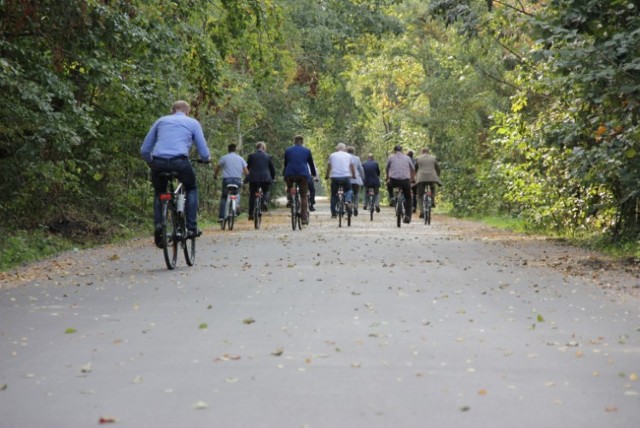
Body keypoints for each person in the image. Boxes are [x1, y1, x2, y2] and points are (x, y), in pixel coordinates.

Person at [141, 100, 211, 248]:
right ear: (188, 111)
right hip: (180, 162)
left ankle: (159, 225)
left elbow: (145, 149)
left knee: (160, 192)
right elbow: (204, 152)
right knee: (191, 188)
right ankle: (191, 227)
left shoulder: (161, 121)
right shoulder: (192, 123)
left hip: (159, 162)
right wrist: (206, 159)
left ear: (172, 110)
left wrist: (150, 161)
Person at [283, 135, 317, 225]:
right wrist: (313, 174)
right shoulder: (307, 151)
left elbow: (286, 163)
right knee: (303, 196)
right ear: (302, 141)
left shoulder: (288, 150)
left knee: (290, 187)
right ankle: (304, 218)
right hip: (303, 174)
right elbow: (311, 164)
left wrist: (284, 174)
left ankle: (290, 199)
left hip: (289, 173)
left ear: (294, 141)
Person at [214, 143, 249, 222]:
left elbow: (217, 168)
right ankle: (236, 205)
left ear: (228, 149)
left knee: (224, 196)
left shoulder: (224, 158)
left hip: (227, 180)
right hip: (237, 180)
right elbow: (247, 172)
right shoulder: (240, 158)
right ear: (235, 150)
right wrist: (245, 179)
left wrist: (215, 175)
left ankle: (221, 217)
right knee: (237, 193)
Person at [246, 142, 276, 221]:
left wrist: (247, 177)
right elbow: (272, 169)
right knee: (266, 191)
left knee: (252, 195)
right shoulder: (268, 156)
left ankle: (250, 213)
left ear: (257, 148)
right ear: (264, 148)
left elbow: (247, 168)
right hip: (265, 178)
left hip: (253, 178)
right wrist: (273, 178)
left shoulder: (251, 156)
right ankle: (264, 202)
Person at [385, 145, 415, 224]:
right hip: (405, 181)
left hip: (394, 181)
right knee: (408, 197)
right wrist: (412, 179)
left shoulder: (391, 157)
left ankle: (391, 198)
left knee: (388, 184)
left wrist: (387, 177)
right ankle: (408, 216)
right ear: (402, 151)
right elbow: (413, 169)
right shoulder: (407, 158)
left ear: (394, 151)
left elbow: (387, 168)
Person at [325, 143, 356, 219]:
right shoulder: (348, 156)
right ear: (345, 149)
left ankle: (334, 213)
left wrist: (327, 175)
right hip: (345, 177)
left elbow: (329, 167)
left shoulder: (332, 155)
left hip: (335, 177)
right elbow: (352, 167)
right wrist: (354, 175)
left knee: (333, 194)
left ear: (337, 149)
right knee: (349, 190)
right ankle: (347, 201)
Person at [414, 147, 442, 218]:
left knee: (420, 195)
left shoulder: (418, 159)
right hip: (432, 178)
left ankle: (422, 211)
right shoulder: (433, 158)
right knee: (433, 188)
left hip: (421, 178)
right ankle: (432, 200)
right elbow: (438, 168)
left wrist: (414, 176)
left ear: (422, 152)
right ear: (428, 152)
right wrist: (438, 175)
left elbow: (415, 169)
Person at [347, 146, 365, 217]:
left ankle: (348, 204)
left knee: (347, 192)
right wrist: (362, 177)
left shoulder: (345, 157)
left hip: (347, 179)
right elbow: (360, 168)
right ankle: (355, 207)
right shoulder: (357, 158)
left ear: (347, 151)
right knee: (356, 194)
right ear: (353, 151)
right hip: (355, 179)